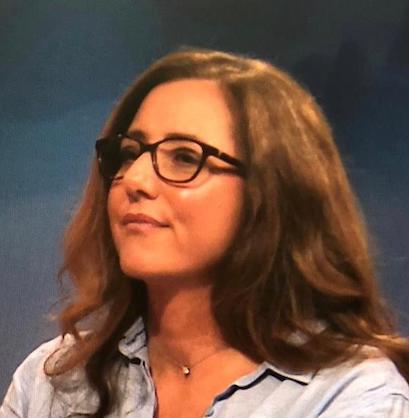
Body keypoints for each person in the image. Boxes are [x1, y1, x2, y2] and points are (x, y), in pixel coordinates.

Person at [1, 48, 409, 418]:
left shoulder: (349, 394)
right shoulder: (53, 379)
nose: (134, 179)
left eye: (184, 157)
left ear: (271, 192)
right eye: (129, 153)